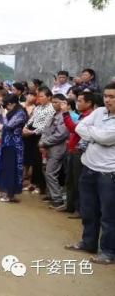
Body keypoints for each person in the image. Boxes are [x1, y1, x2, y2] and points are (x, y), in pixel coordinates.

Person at [65, 83, 115, 265]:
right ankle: (88, 243)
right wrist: (97, 134)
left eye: (112, 97)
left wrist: (93, 133)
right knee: (88, 210)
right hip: (89, 167)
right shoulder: (99, 112)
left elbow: (105, 138)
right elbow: (79, 127)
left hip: (109, 173)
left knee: (108, 215)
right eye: (106, 96)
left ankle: (108, 252)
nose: (107, 100)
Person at [0, 94, 27, 202]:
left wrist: (3, 114)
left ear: (12, 104)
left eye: (6, 105)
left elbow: (8, 125)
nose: (6, 108)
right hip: (5, 142)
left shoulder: (20, 113)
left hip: (14, 144)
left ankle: (10, 194)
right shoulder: (12, 111)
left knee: (10, 169)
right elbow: (4, 125)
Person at [62, 91, 95, 219]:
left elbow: (74, 129)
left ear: (89, 103)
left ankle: (79, 209)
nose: (77, 103)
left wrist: (65, 114)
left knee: (78, 182)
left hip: (79, 152)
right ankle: (70, 205)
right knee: (70, 180)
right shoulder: (83, 115)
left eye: (80, 101)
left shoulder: (90, 116)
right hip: (73, 151)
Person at [39, 94, 71, 209]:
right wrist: (42, 142)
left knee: (51, 172)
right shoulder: (52, 114)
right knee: (46, 170)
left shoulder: (64, 116)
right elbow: (45, 130)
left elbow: (61, 134)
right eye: (53, 102)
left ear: (63, 103)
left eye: (56, 102)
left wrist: (44, 142)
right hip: (47, 147)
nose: (54, 104)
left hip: (58, 148)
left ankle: (57, 199)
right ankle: (51, 195)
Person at [22, 87, 56, 195]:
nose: (39, 98)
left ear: (49, 97)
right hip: (30, 133)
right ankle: (32, 183)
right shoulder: (38, 107)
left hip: (40, 135)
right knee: (31, 160)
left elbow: (46, 125)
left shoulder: (51, 109)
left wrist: (32, 132)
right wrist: (25, 127)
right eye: (39, 96)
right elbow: (31, 119)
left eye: (42, 96)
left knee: (38, 161)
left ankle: (41, 186)